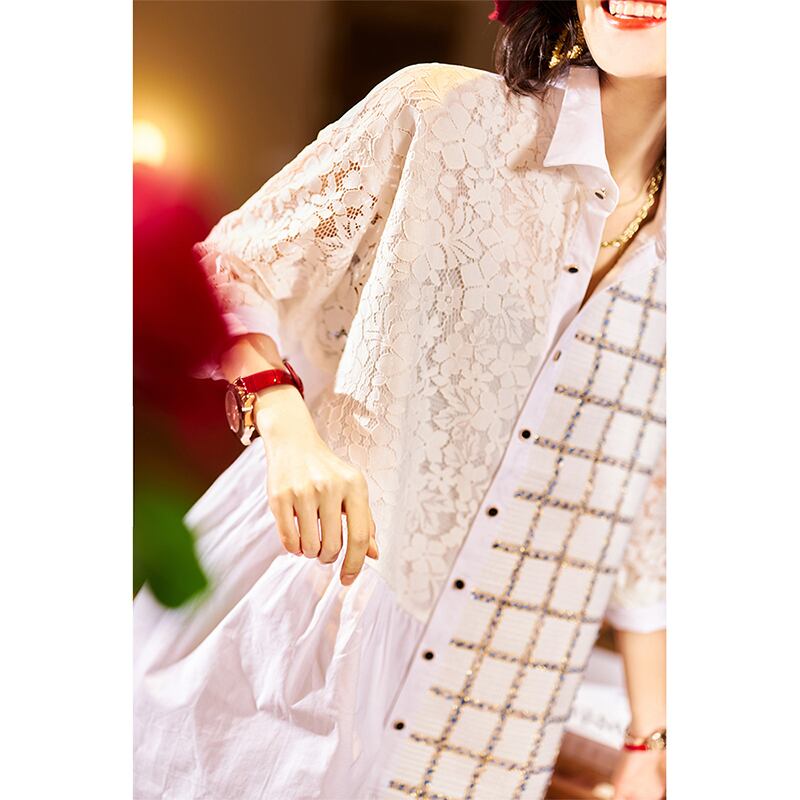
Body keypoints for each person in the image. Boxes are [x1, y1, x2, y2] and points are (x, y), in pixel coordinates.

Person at [133, 1, 667, 798]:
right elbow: (231, 269)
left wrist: (649, 738)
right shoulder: (438, 113)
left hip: (489, 719)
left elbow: (647, 507)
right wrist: (286, 425)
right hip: (300, 630)